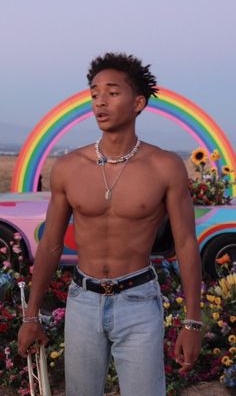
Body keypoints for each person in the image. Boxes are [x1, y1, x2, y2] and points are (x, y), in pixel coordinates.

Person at [18, 53, 202, 396]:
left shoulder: (164, 167)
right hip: (82, 301)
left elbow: (186, 244)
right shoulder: (70, 167)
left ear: (139, 103)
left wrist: (192, 321)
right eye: (94, 93)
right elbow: (52, 245)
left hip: (138, 298)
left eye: (112, 92)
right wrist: (31, 316)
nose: (100, 101)